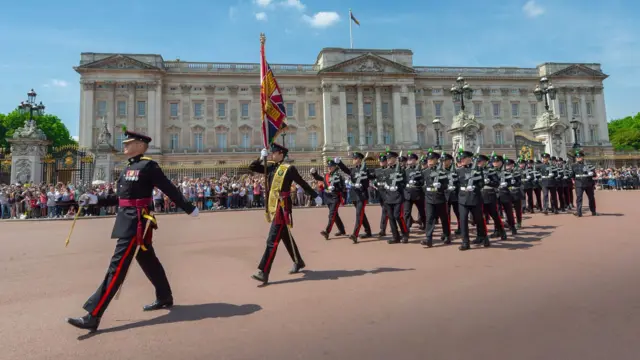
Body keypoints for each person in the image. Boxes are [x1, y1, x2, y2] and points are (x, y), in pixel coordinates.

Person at [66, 130, 199, 333]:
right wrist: (95, 199)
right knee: (148, 260)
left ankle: (93, 315)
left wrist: (188, 207)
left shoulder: (149, 166)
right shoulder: (128, 167)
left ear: (140, 144)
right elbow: (121, 197)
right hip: (128, 220)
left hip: (136, 222)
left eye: (128, 143)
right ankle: (164, 296)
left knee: (117, 267)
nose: (124, 145)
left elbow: (168, 188)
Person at [248, 143, 319, 284]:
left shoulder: (289, 168)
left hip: (282, 207)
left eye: (273, 152)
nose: (272, 154)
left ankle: (264, 271)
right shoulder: (271, 167)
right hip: (274, 206)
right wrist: (260, 158)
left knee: (272, 240)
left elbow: (302, 182)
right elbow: (252, 167)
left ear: (281, 153)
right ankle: (298, 261)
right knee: (285, 237)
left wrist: (314, 195)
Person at [456, 150, 489, 250]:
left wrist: (474, 185)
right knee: (463, 219)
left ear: (470, 159)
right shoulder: (458, 171)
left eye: (464, 158)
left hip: (474, 198)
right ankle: (465, 242)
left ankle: (483, 237)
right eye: (461, 159)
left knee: (478, 219)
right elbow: (456, 184)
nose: (462, 160)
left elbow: (482, 183)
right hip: (462, 198)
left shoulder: (478, 169)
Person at [337, 152, 373, 243]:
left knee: (358, 215)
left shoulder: (365, 169)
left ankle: (355, 234)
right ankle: (368, 231)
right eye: (353, 158)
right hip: (354, 195)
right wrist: (339, 162)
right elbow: (345, 170)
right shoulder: (352, 170)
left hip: (362, 195)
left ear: (360, 160)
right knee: (361, 215)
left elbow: (367, 181)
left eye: (355, 158)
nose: (354, 160)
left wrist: (361, 185)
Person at [311, 158, 347, 240]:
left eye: (331, 166)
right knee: (335, 215)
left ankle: (327, 232)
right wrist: (314, 173)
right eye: (328, 167)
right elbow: (319, 178)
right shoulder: (326, 175)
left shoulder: (339, 176)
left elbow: (343, 188)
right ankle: (342, 230)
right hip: (328, 197)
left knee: (331, 215)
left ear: (335, 167)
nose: (329, 168)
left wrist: (336, 189)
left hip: (335, 197)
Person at [421, 150, 451, 247]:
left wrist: (440, 186)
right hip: (429, 198)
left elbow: (446, 185)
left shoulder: (442, 171)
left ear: (436, 160)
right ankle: (428, 239)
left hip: (440, 197)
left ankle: (446, 235)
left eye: (431, 159)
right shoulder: (425, 172)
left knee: (444, 218)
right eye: (428, 159)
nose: (429, 161)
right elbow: (422, 184)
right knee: (429, 218)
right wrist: (425, 189)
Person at [382, 151, 409, 244]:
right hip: (388, 197)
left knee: (398, 216)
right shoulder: (385, 171)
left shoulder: (401, 170)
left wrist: (398, 185)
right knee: (391, 217)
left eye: (390, 158)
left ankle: (405, 234)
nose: (388, 160)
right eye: (387, 158)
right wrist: (386, 186)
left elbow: (405, 182)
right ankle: (395, 236)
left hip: (398, 197)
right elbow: (384, 182)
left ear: (394, 159)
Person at [492, 154, 517, 236]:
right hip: (495, 194)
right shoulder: (491, 171)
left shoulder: (506, 171)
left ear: (501, 162)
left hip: (505, 193)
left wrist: (507, 184)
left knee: (508, 211)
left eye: (497, 161)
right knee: (496, 214)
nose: (495, 163)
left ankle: (512, 227)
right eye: (494, 162)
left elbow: (512, 182)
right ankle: (497, 229)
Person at [403, 152, 426, 232]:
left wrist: (417, 183)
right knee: (406, 212)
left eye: (411, 159)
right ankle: (406, 228)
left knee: (422, 211)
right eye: (408, 159)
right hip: (408, 194)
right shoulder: (405, 170)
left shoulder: (420, 170)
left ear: (415, 160)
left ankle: (425, 225)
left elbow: (423, 181)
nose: (410, 161)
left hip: (418, 194)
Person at [571, 149, 597, 217]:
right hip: (578, 183)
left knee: (591, 198)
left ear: (583, 157)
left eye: (579, 157)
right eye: (577, 157)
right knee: (579, 198)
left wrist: (592, 173)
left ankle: (593, 211)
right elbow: (572, 175)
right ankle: (579, 212)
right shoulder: (573, 166)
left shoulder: (589, 165)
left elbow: (594, 174)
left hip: (588, 183)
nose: (578, 158)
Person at [373, 154, 389, 237]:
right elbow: (373, 178)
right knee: (386, 212)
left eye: (384, 161)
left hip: (388, 194)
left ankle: (383, 229)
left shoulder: (389, 170)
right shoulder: (377, 170)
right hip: (380, 194)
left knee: (385, 211)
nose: (382, 163)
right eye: (381, 161)